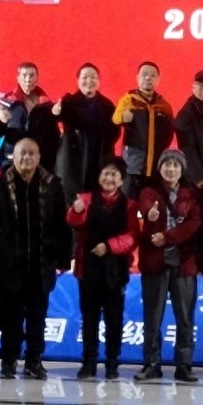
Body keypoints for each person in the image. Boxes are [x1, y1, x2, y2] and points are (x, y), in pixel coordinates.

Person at [0, 137, 70, 380]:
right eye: (22, 153)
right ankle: (8, 361)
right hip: (10, 266)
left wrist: (64, 258)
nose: (27, 158)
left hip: (41, 265)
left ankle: (34, 361)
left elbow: (61, 224)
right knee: (11, 319)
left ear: (39, 157)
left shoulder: (53, 185)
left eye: (32, 153)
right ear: (13, 156)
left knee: (37, 319)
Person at [133, 148, 202, 383]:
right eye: (166, 164)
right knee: (152, 317)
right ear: (159, 168)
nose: (171, 169)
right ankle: (151, 364)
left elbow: (194, 224)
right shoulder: (149, 192)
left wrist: (167, 237)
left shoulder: (191, 195)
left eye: (175, 165)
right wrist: (148, 214)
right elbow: (142, 211)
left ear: (182, 170)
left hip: (184, 265)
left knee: (185, 318)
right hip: (155, 264)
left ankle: (184, 365)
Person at [65, 157, 136, 381]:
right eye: (106, 173)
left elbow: (132, 237)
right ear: (99, 177)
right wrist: (76, 211)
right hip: (88, 269)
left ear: (121, 180)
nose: (109, 178)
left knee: (114, 319)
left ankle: (112, 362)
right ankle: (89, 362)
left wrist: (109, 246)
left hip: (115, 270)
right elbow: (73, 222)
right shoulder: (85, 199)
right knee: (90, 318)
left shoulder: (129, 205)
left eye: (114, 174)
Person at [52, 62, 119, 198]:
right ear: (78, 80)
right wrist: (55, 112)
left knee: (97, 203)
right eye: (85, 77)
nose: (89, 81)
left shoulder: (107, 106)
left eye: (93, 77)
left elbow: (114, 133)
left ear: (99, 81)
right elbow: (56, 116)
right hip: (72, 165)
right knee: (71, 205)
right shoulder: (68, 102)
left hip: (98, 162)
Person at [112, 60, 175, 197]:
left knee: (152, 205)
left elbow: (170, 132)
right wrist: (123, 116)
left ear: (158, 79)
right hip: (132, 167)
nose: (148, 78)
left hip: (156, 167)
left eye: (152, 75)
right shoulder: (128, 100)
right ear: (137, 77)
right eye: (144, 74)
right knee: (129, 205)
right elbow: (115, 119)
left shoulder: (164, 105)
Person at [0, 61, 59, 173]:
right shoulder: (8, 101)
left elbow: (54, 138)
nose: (28, 80)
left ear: (37, 78)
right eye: (24, 75)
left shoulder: (46, 104)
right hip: (12, 162)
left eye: (31, 75)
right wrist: (0, 121)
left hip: (40, 164)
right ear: (18, 78)